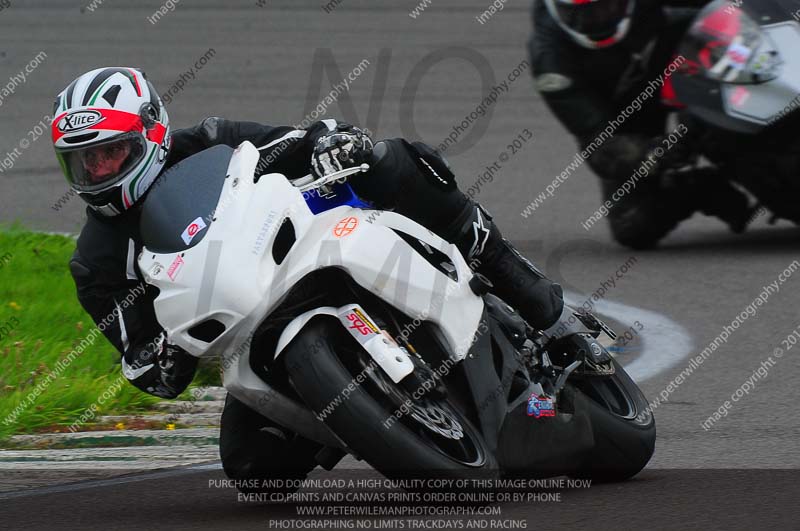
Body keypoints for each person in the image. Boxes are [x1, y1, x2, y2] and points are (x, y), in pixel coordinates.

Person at [52, 67, 601, 485]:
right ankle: (360, 416)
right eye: (83, 163)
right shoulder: (95, 262)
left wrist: (332, 140)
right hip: (249, 324)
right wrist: (161, 360)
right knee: (253, 469)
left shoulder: (210, 141)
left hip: (309, 247)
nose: (99, 172)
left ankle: (538, 303)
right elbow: (138, 355)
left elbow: (294, 140)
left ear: (151, 132)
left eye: (111, 153)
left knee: (392, 160)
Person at [528, 0, 755, 249]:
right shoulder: (550, 59)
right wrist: (649, 155)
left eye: (605, 7)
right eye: (578, 14)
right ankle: (700, 188)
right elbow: (599, 144)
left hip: (695, 65)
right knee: (633, 226)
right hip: (629, 115)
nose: (595, 20)